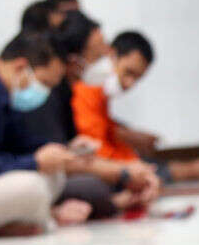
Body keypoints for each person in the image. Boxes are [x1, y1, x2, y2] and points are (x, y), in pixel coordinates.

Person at [11, 12, 160, 215]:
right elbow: (48, 159)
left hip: (53, 169)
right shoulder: (46, 91)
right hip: (35, 173)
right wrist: (123, 173)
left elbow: (63, 149)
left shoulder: (68, 91)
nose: (105, 64)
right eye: (99, 56)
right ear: (74, 60)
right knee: (91, 187)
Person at [70, 31, 199, 183]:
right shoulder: (88, 88)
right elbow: (98, 148)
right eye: (128, 72)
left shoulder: (99, 92)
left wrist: (130, 143)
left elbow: (105, 131)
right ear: (112, 55)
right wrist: (131, 165)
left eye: (137, 78)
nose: (129, 83)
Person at [0, 32, 94, 235]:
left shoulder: (5, 95)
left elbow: (19, 141)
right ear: (20, 67)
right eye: (44, 84)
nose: (44, 92)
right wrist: (34, 162)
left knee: (54, 174)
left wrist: (61, 150)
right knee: (32, 188)